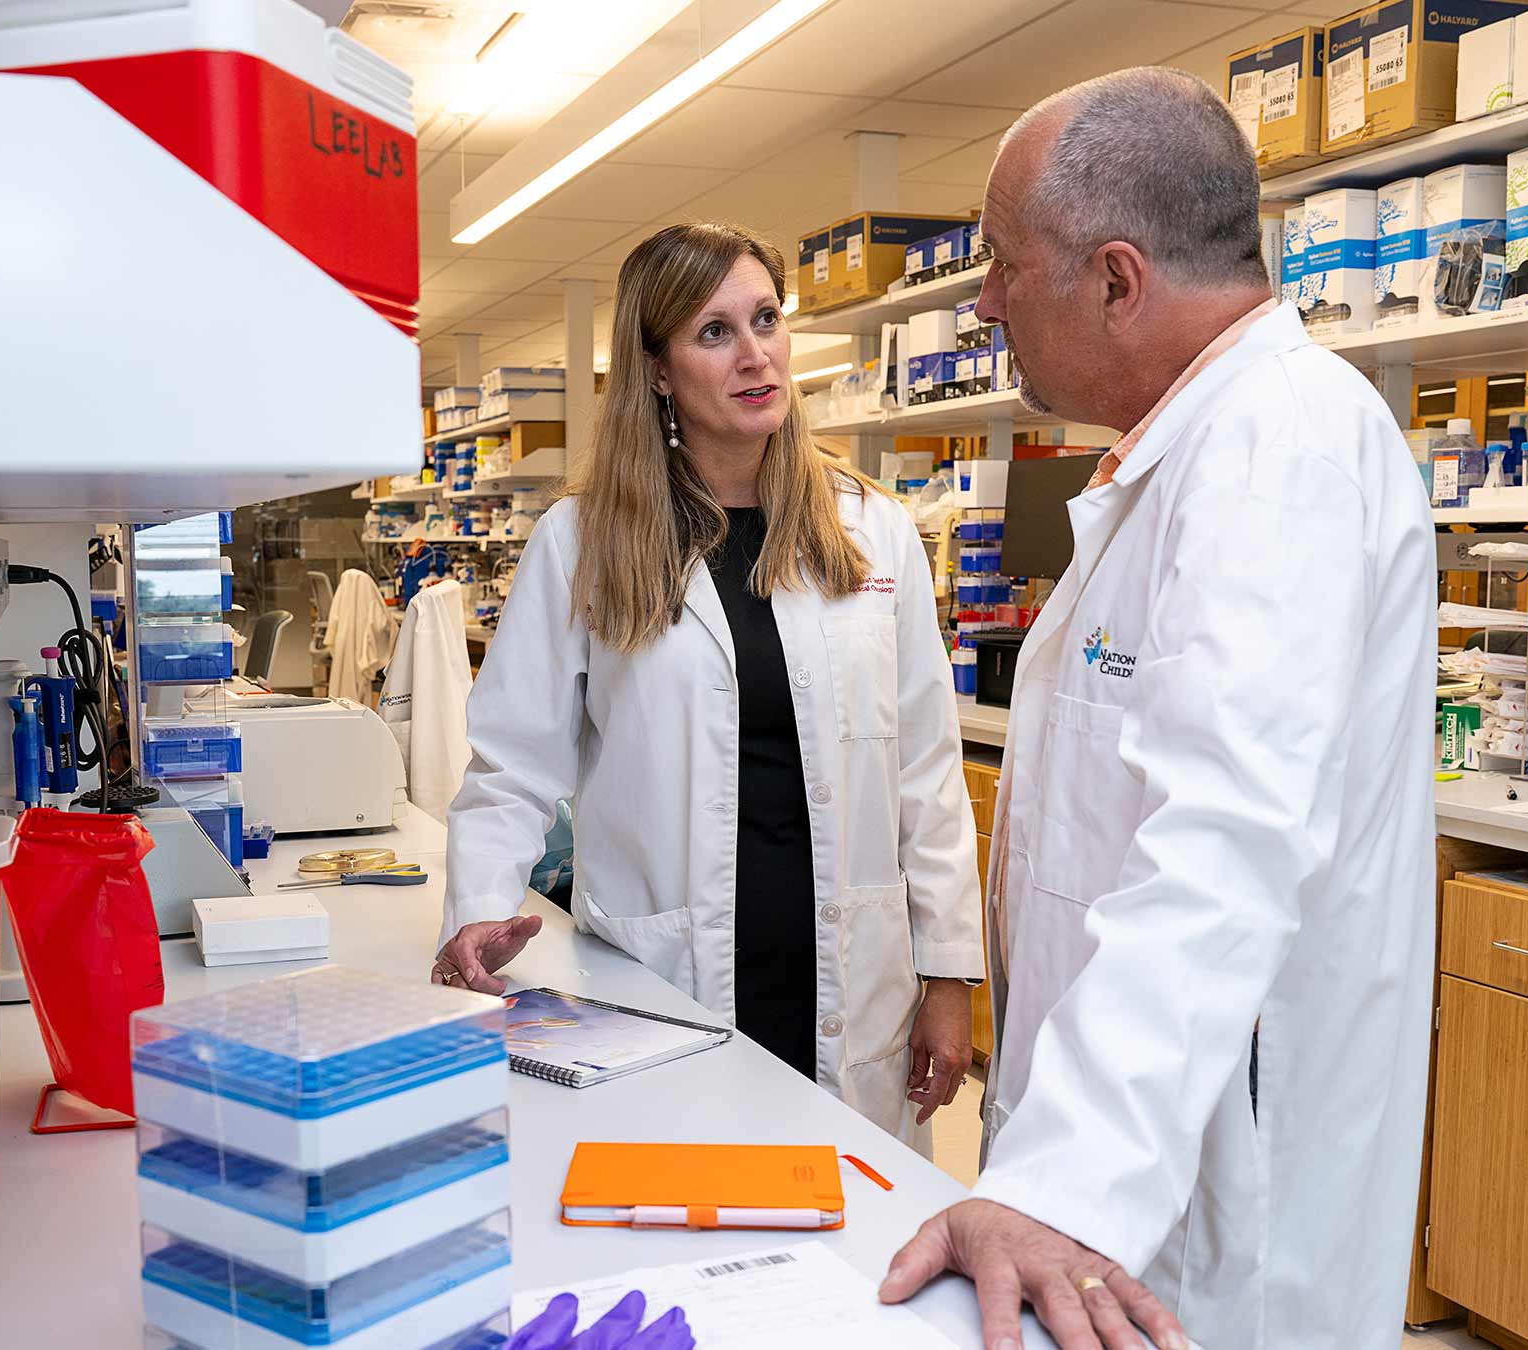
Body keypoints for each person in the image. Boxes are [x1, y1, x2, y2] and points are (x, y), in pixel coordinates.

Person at [877, 69, 1436, 1350]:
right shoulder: (1185, 451)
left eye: (1006, 267)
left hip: (1205, 1180)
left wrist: (1058, 1185)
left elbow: (1222, 842)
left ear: (1118, 279)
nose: (984, 303)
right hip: (1133, 1162)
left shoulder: (1276, 453)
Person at [431, 221, 984, 1151]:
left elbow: (927, 774)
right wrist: (483, 904)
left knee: (855, 1238)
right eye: (714, 331)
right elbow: (512, 767)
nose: (755, 353)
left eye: (765, 319)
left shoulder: (871, 533)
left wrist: (950, 976)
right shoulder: (582, 542)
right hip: (665, 973)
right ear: (656, 370)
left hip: (852, 978)